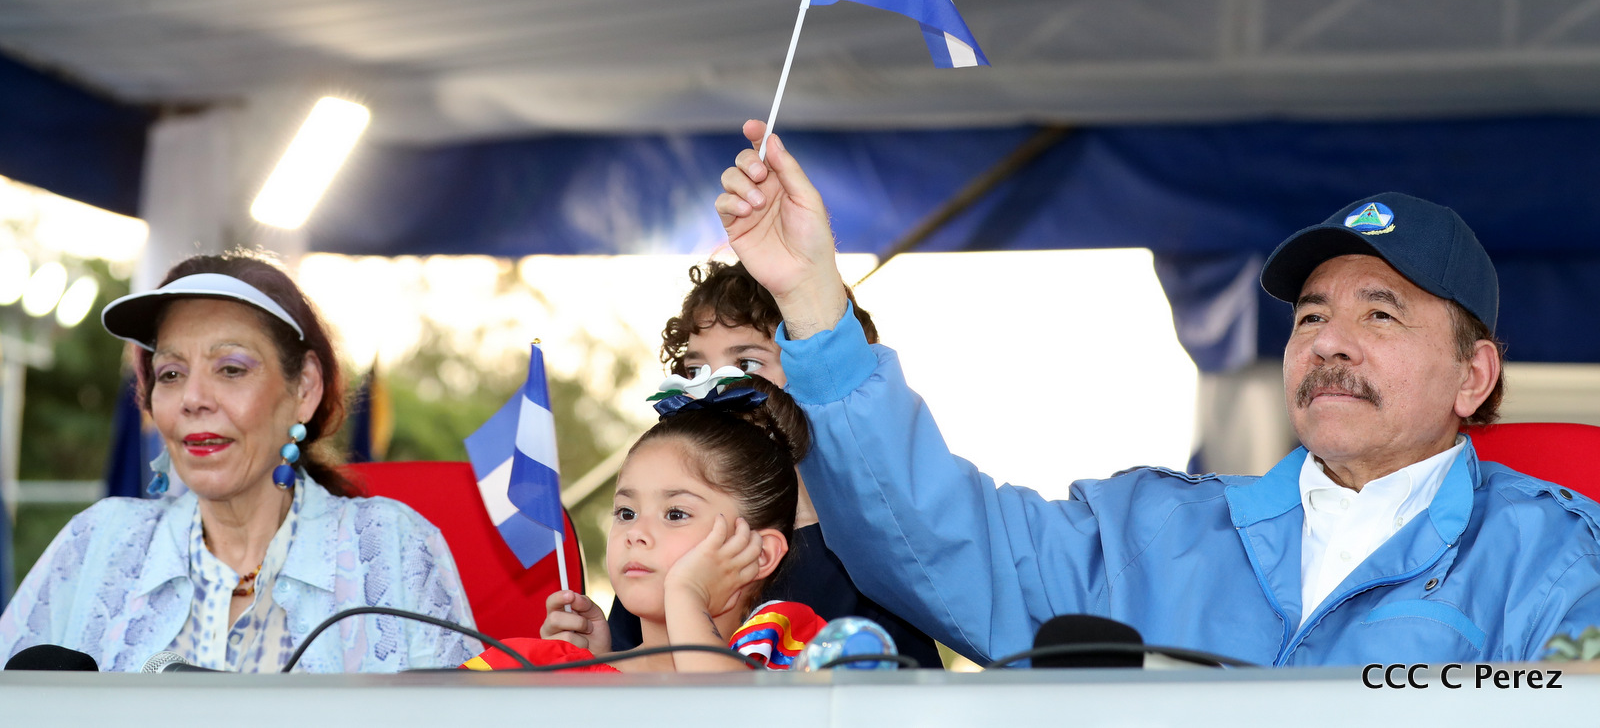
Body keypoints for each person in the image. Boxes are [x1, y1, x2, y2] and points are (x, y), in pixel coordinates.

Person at [714, 120, 1600, 666]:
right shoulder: (1153, 532)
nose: (1329, 339)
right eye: (1310, 315)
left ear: (1473, 376)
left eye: (1380, 313)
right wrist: (812, 300)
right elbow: (938, 537)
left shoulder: (1556, 561)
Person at [0, 251, 478, 672]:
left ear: (305, 388)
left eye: (230, 369)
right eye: (171, 374)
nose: (193, 398)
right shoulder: (97, 543)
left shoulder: (391, 545)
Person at [604, 261, 943, 669]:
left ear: (823, 375)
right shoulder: (659, 548)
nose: (710, 387)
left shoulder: (870, 556)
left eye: (746, 365)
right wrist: (594, 652)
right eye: (694, 369)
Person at [462, 379, 826, 672]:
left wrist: (686, 594)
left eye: (675, 514)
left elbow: (728, 714)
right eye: (626, 513)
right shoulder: (539, 671)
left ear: (760, 553)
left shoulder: (793, 651)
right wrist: (594, 670)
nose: (635, 533)